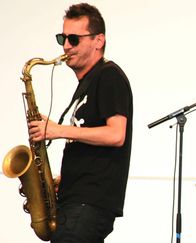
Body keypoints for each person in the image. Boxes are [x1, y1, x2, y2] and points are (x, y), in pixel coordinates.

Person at [28, 3, 133, 243]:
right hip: (78, 203)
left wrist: (57, 130)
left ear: (99, 40)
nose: (66, 46)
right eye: (62, 38)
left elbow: (116, 134)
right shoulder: (87, 83)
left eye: (74, 39)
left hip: (88, 205)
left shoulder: (109, 75)